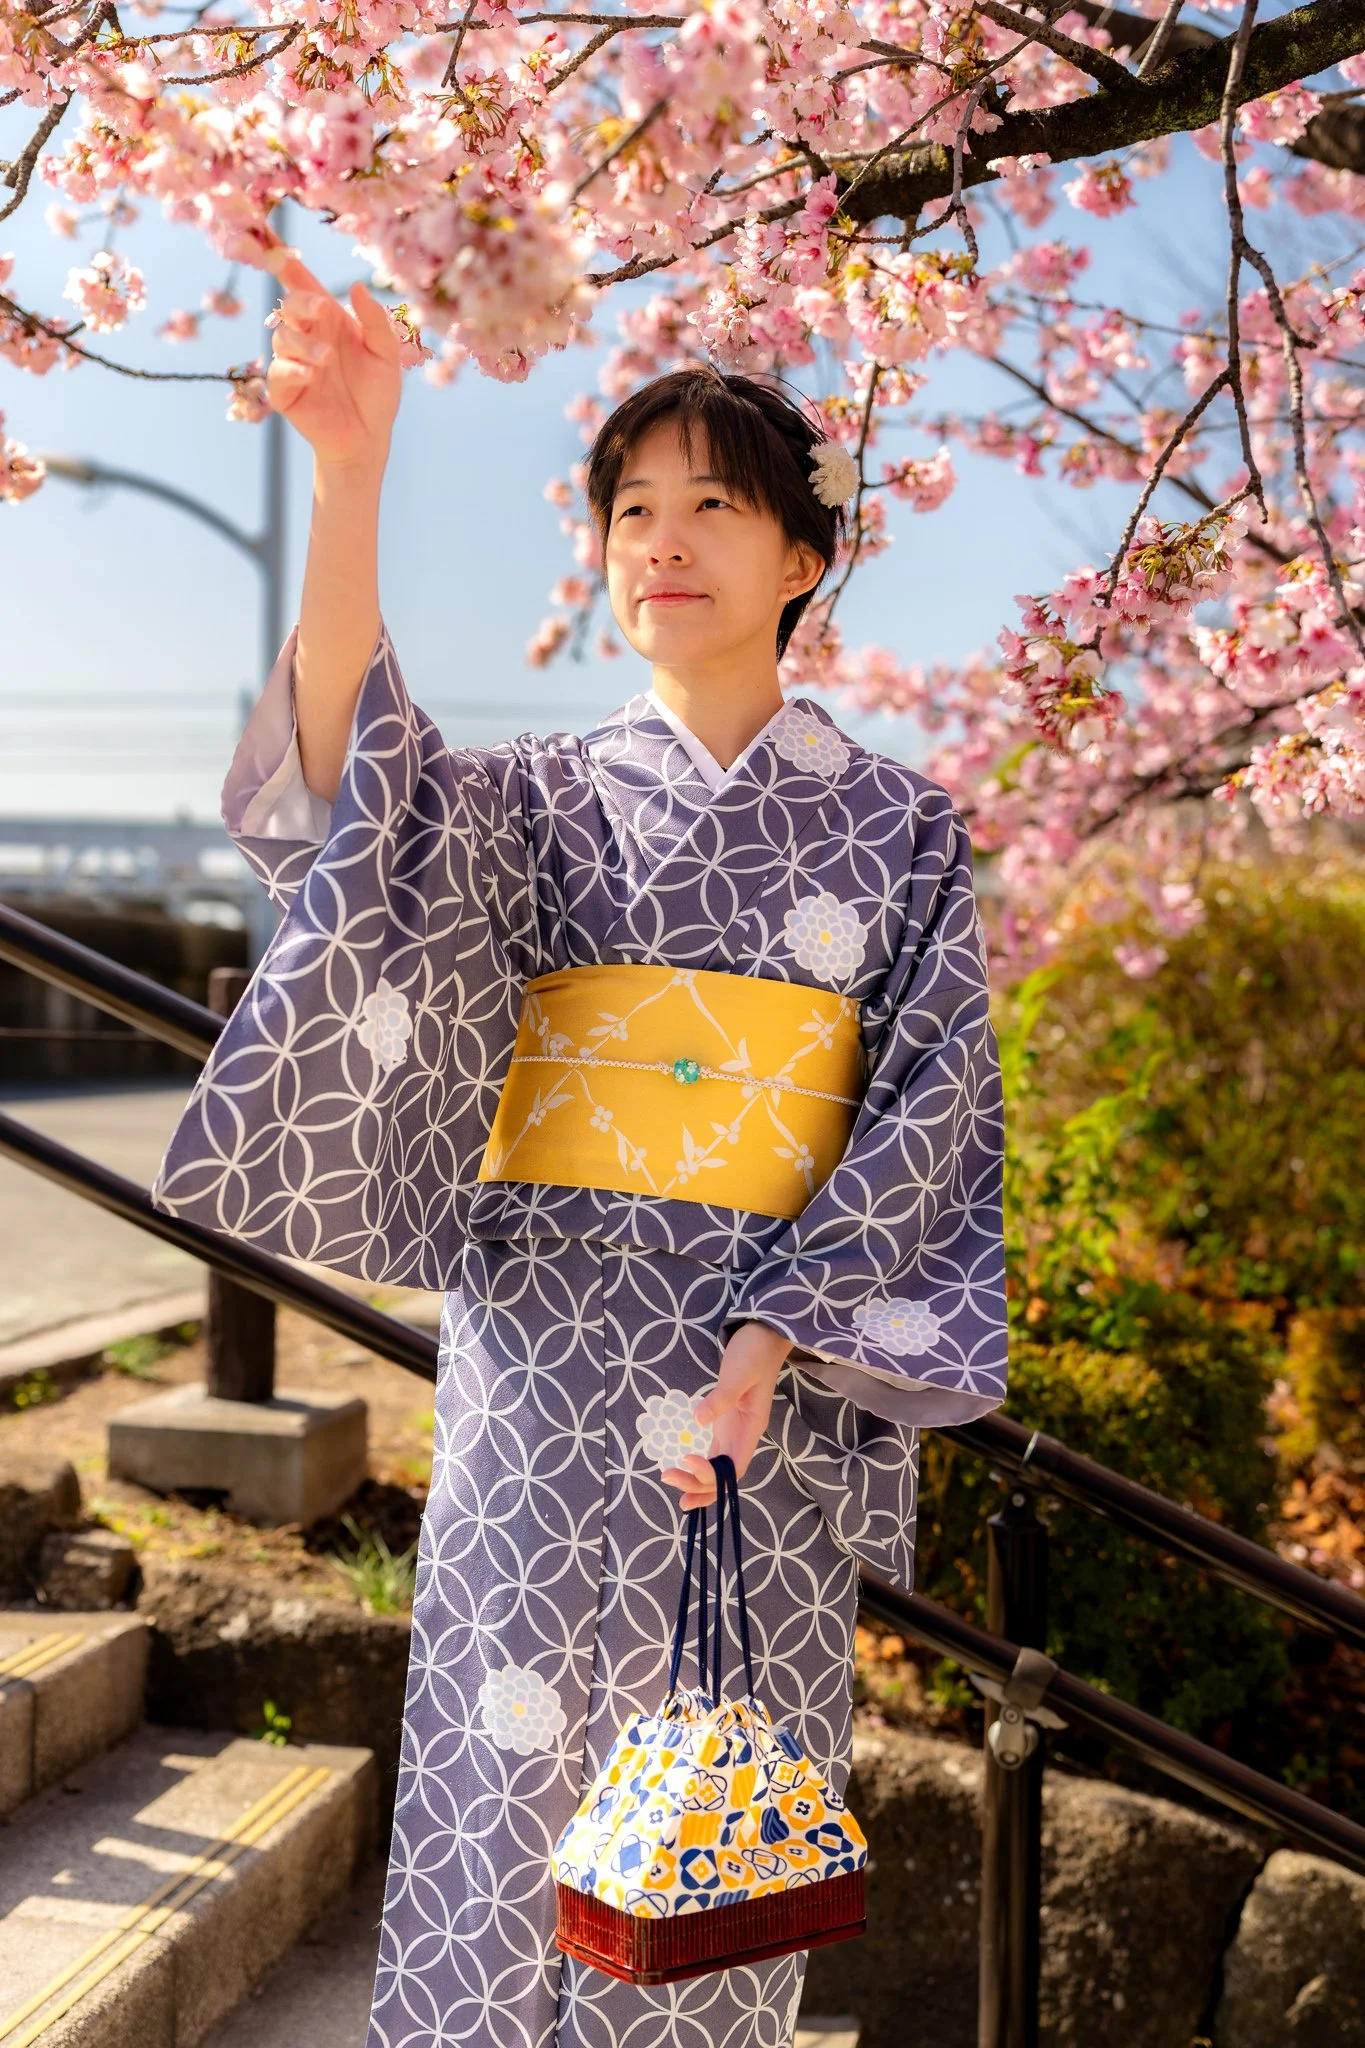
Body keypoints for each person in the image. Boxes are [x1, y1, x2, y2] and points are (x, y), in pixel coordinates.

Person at [152, 236, 1009, 2048]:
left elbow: (929, 1118)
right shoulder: (538, 805)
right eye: (630, 506)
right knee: (495, 1802)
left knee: (714, 1839)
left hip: (759, 1402)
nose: (663, 538)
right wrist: (353, 472)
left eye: (714, 504)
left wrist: (773, 1345)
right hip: (544, 1359)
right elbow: (342, 790)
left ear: (803, 557)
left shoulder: (903, 838)